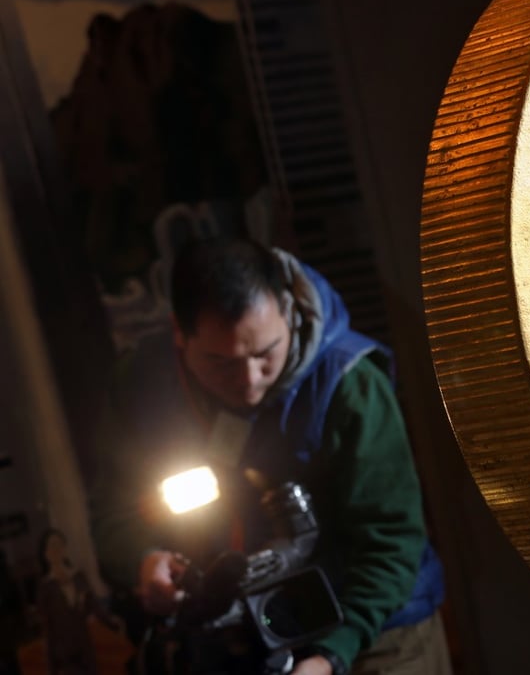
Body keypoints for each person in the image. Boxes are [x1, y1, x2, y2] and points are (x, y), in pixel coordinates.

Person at [87, 235, 449, 675]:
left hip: (376, 629)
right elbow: (114, 511)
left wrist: (332, 654)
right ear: (179, 334)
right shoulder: (143, 384)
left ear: (288, 309)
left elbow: (391, 541)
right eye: (222, 362)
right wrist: (144, 560)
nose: (249, 381)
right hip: (241, 637)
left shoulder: (350, 386)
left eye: (265, 353)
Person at [35, 528, 122, 675]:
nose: (56, 550)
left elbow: (93, 606)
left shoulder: (78, 576)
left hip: (84, 647)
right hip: (63, 654)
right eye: (51, 546)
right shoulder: (45, 587)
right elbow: (47, 627)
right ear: (45, 553)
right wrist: (51, 666)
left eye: (59, 545)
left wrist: (112, 621)